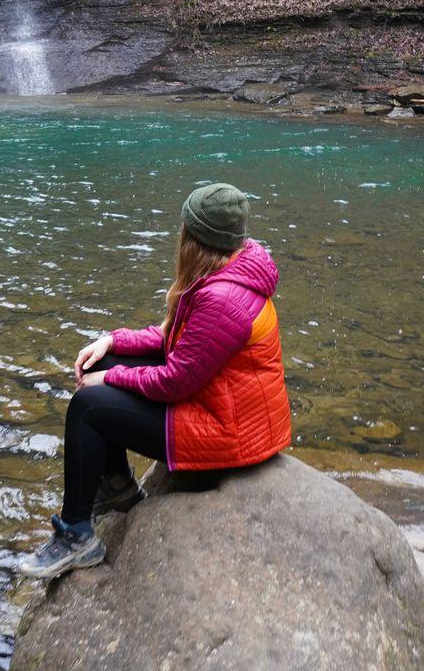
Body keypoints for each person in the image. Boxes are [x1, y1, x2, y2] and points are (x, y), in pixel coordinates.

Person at [19, 180, 291, 581]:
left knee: (88, 408)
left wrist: (112, 377)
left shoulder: (222, 299)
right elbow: (174, 340)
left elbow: (175, 381)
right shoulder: (233, 267)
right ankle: (116, 486)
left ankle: (77, 536)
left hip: (227, 430)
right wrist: (112, 342)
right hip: (219, 401)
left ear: (195, 239)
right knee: (105, 366)